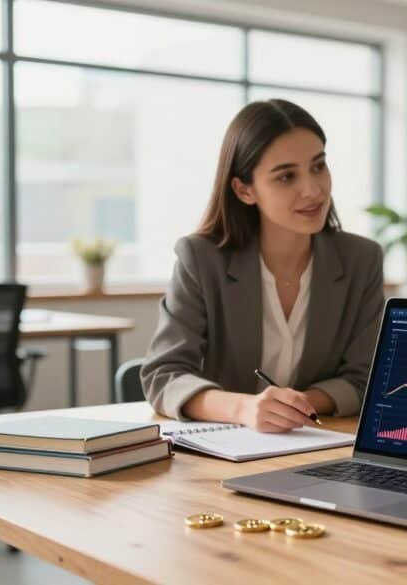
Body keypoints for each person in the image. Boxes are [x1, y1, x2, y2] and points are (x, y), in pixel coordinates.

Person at [142, 99, 385, 432]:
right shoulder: (200, 258)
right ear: (244, 190)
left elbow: (367, 376)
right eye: (286, 177)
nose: (313, 190)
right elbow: (163, 374)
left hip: (316, 445)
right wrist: (243, 408)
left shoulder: (361, 260)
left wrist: (294, 406)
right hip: (222, 451)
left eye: (318, 166)